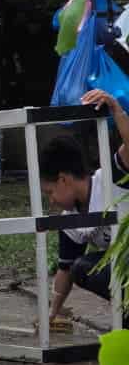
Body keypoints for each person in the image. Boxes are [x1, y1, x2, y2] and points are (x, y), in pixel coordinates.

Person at [38, 89, 129, 324]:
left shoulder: (111, 177)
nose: (52, 200)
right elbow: (66, 269)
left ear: (63, 179)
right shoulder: (71, 219)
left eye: (50, 192)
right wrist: (52, 314)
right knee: (82, 267)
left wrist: (116, 109)